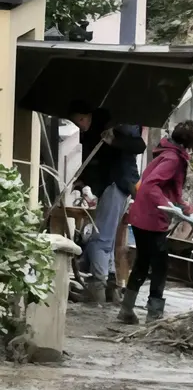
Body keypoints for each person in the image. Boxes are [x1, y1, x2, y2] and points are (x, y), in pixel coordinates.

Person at [118, 121, 193, 325]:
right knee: (160, 266)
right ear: (186, 144)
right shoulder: (173, 159)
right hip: (151, 218)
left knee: (142, 263)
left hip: (141, 215)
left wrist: (182, 207)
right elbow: (151, 186)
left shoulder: (166, 151)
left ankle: (126, 309)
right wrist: (168, 205)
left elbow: (166, 188)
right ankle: (154, 314)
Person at [68, 101, 146, 304]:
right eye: (76, 122)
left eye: (83, 120)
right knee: (107, 240)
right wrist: (82, 179)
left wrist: (114, 140)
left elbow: (139, 146)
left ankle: (97, 287)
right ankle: (110, 287)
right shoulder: (89, 130)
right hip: (106, 185)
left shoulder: (117, 122)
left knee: (99, 240)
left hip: (118, 183)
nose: (81, 125)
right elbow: (89, 156)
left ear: (91, 115)